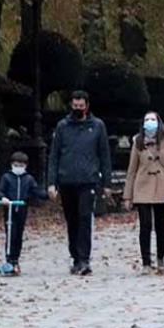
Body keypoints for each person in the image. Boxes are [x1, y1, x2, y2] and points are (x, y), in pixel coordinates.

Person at [47, 90, 112, 275]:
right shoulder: (62, 126)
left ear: (87, 106)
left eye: (80, 106)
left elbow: (104, 155)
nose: (77, 109)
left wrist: (107, 183)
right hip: (67, 180)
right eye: (74, 106)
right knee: (72, 220)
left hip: (88, 181)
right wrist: (51, 182)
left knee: (85, 218)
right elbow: (54, 155)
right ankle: (75, 257)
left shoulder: (98, 126)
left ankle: (84, 259)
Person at [123, 111, 164, 274]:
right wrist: (128, 195)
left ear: (158, 122)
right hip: (142, 187)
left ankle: (160, 258)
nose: (150, 122)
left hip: (162, 188)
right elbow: (132, 170)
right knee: (145, 225)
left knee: (160, 226)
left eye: (152, 119)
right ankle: (146, 262)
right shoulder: (137, 141)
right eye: (147, 120)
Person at [0, 152, 48, 275]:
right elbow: (0, 191)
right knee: (11, 234)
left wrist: (47, 195)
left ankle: (15, 259)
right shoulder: (6, 177)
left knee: (18, 235)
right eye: (16, 165)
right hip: (10, 210)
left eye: (21, 165)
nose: (18, 167)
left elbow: (36, 190)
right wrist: (3, 198)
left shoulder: (28, 179)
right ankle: (9, 259)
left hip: (22, 209)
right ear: (12, 165)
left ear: (25, 166)